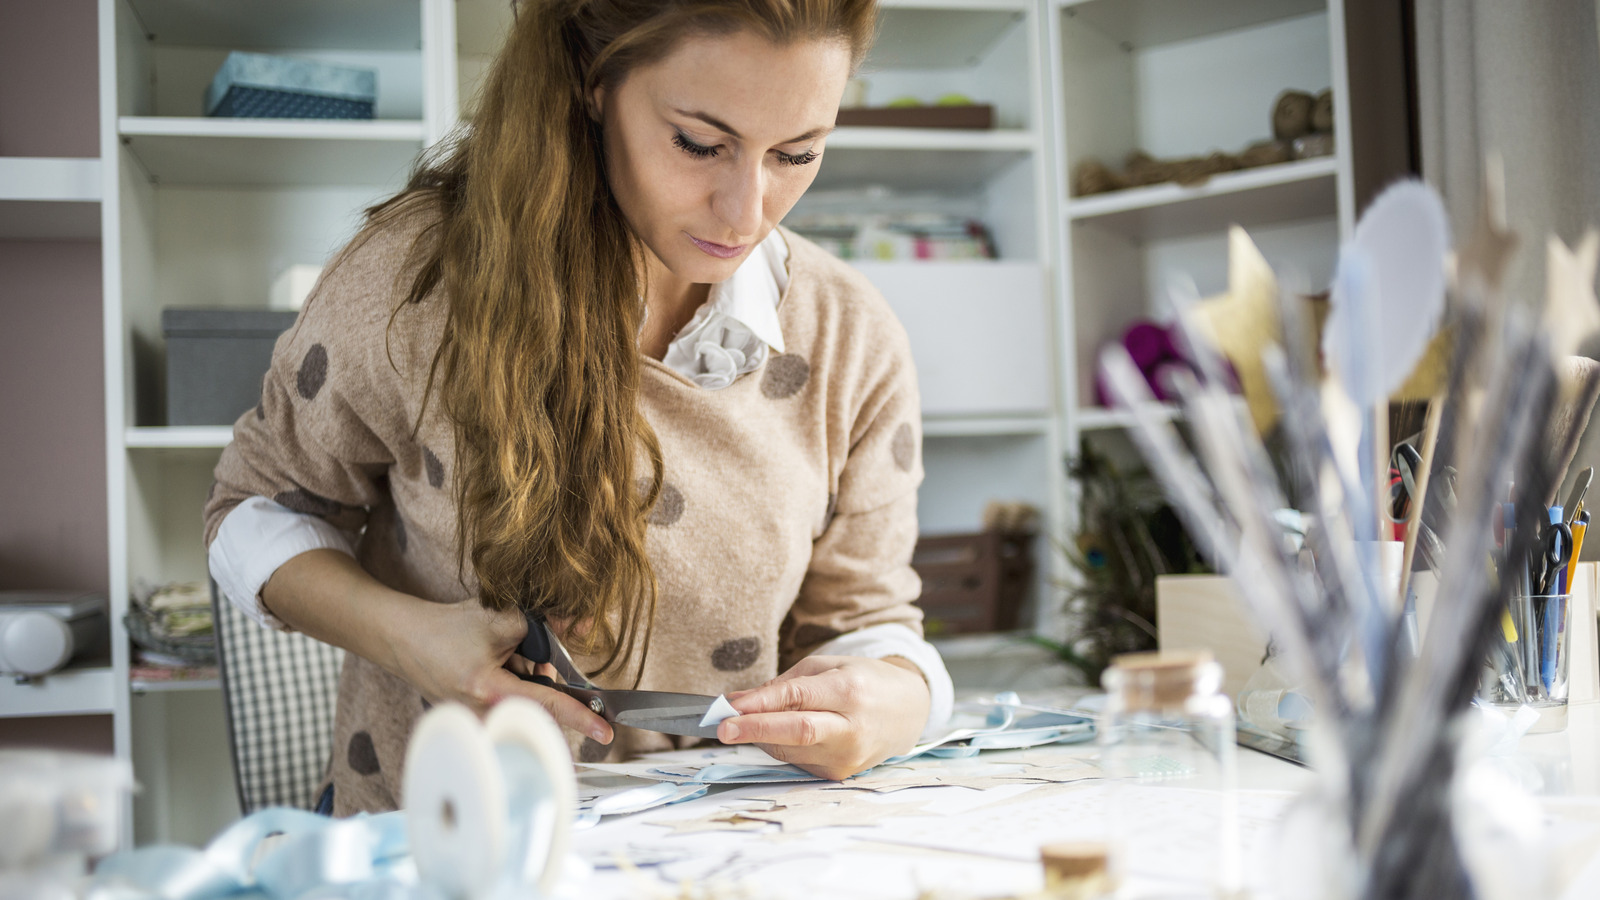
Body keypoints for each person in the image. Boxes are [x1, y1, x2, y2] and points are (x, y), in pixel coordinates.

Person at [204, 0, 952, 818]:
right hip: (447, 841)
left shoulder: (849, 335)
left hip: (724, 851)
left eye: (797, 153)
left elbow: (869, 621)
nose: (747, 211)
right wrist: (411, 638)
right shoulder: (415, 281)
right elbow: (251, 512)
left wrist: (900, 699)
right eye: (700, 144)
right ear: (594, 84)